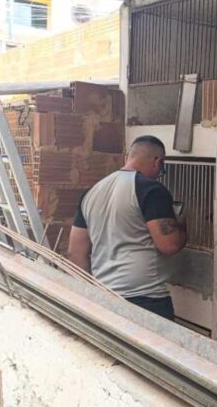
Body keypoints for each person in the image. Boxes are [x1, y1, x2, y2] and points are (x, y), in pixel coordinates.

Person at [68, 135, 187, 320]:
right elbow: (169, 245)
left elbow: (75, 253)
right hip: (146, 300)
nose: (159, 173)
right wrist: (182, 224)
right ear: (158, 162)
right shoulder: (152, 190)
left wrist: (90, 296)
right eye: (161, 168)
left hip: (104, 296)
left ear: (128, 157)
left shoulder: (92, 192)